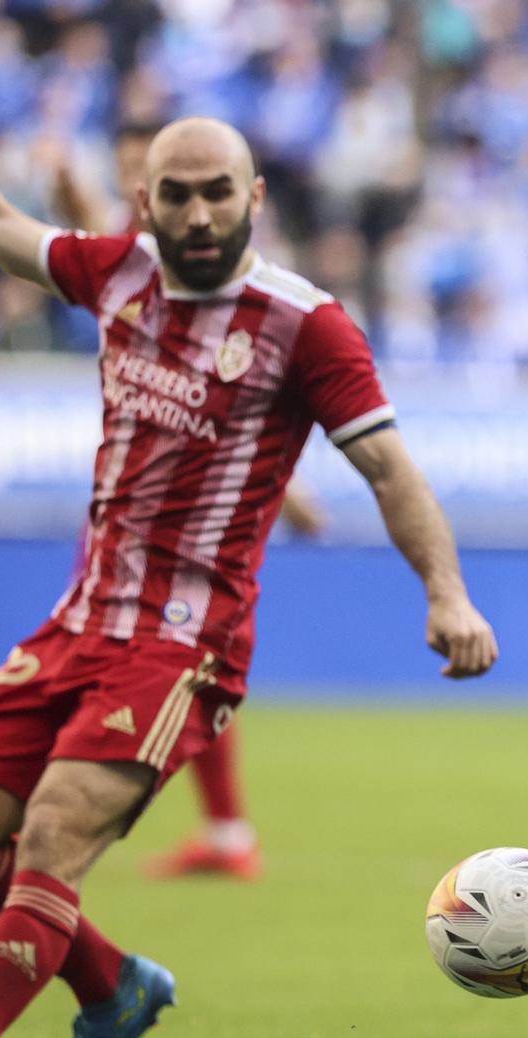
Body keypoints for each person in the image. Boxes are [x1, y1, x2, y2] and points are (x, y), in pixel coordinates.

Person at [0, 118, 498, 1038]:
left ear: (255, 196)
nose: (197, 213)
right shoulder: (114, 275)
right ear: (141, 201)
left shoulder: (303, 324)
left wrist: (445, 592)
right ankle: (111, 985)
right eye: (175, 194)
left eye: (216, 193)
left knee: (53, 831)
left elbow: (389, 469)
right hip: (77, 621)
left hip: (184, 644)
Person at [53, 120, 327, 881]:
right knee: (156, 657)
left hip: (172, 513)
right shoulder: (137, 259)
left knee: (146, 653)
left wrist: (291, 493)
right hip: (142, 495)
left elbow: (234, 409)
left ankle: (52, 810)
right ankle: (224, 828)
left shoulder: (190, 268)